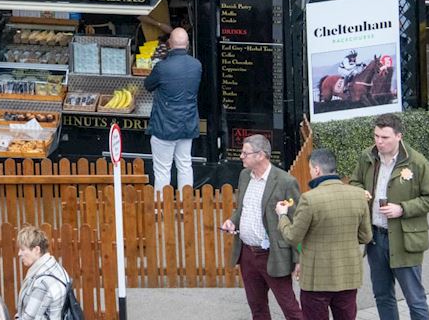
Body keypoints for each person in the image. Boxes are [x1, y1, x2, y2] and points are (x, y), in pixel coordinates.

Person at [349, 113, 429, 320]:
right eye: (376, 136)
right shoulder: (367, 157)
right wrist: (360, 192)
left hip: (404, 238)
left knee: (415, 298)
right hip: (375, 238)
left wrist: (403, 208)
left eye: (385, 137)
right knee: (382, 295)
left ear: (399, 136)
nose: (379, 142)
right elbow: (355, 182)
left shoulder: (417, 163)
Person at [276, 148, 372, 320]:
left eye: (311, 169)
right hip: (348, 276)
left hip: (316, 279)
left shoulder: (309, 199)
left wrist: (282, 215)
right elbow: (365, 236)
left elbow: (292, 236)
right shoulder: (359, 195)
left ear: (317, 169)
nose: (311, 173)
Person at [220, 134, 302, 320]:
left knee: (290, 309)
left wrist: (299, 258)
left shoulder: (285, 181)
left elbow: (298, 222)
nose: (241, 156)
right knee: (257, 309)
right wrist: (232, 221)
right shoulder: (244, 176)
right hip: (247, 253)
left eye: (245, 153)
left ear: (261, 155)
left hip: (273, 255)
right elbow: (242, 208)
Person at [144, 27, 202, 197]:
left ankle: (160, 207)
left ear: (169, 43)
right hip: (187, 124)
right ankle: (186, 205)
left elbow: (148, 85)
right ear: (188, 44)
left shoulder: (162, 67)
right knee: (185, 164)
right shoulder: (196, 65)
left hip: (165, 125)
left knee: (162, 169)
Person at [15, 225, 70, 320]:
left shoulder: (43, 283)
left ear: (36, 250)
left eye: (23, 249)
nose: (19, 253)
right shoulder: (54, 266)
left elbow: (28, 318)